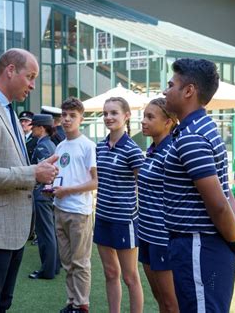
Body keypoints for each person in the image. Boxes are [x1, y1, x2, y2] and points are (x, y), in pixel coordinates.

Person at [162, 58, 235, 312]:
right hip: (205, 246)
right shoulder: (203, 127)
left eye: (170, 84)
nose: (165, 91)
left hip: (198, 246)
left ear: (189, 91)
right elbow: (226, 192)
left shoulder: (192, 137)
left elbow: (218, 205)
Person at [0, 48, 58, 313]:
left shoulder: (9, 112)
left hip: (13, 231)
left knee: (3, 303)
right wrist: (33, 173)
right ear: (10, 70)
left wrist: (39, 171)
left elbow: (11, 165)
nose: (32, 85)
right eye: (30, 76)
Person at [94, 97, 144, 313]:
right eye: (105, 113)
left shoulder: (132, 150)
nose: (108, 117)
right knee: (110, 273)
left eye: (113, 113)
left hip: (125, 221)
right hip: (102, 218)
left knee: (130, 276)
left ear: (126, 116)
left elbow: (145, 184)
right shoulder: (99, 147)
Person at [53, 97, 97, 313]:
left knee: (80, 262)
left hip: (79, 211)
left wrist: (67, 190)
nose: (67, 119)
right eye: (64, 115)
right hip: (59, 207)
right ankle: (72, 302)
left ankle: (82, 305)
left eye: (72, 116)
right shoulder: (60, 145)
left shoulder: (88, 146)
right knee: (67, 262)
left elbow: (95, 182)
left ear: (82, 118)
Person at [138, 98, 179, 313]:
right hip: (146, 234)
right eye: (144, 116)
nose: (143, 121)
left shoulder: (172, 152)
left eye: (150, 117)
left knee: (172, 302)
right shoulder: (152, 150)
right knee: (160, 299)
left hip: (163, 237)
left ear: (168, 122)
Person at [28, 114, 59, 280]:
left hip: (42, 193)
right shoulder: (52, 144)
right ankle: (54, 266)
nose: (32, 129)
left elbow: (42, 173)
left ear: (41, 128)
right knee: (51, 231)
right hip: (50, 193)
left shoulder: (41, 147)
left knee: (45, 233)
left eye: (34, 126)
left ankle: (47, 270)